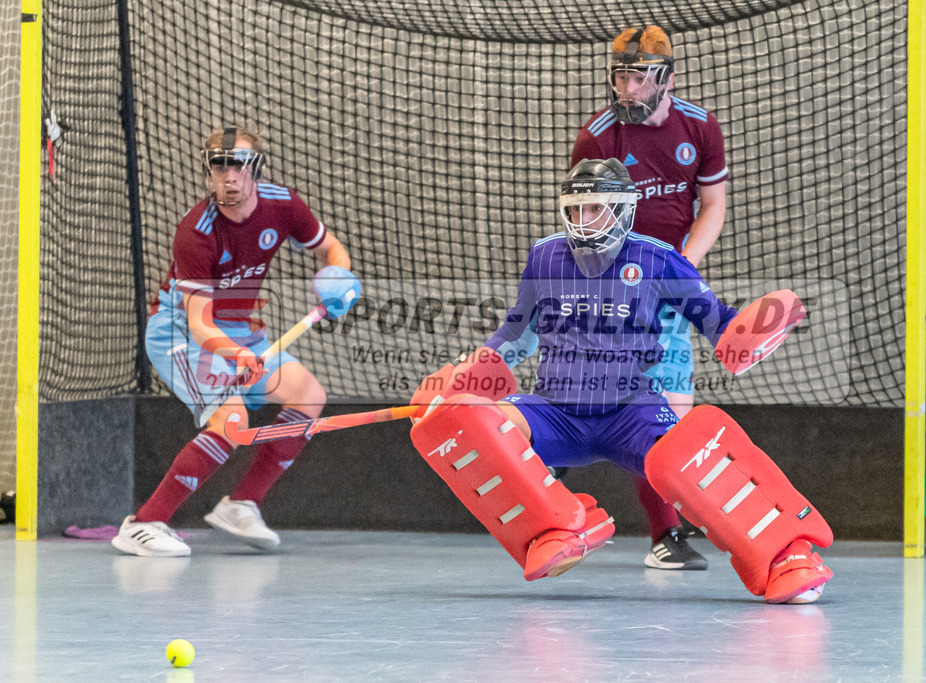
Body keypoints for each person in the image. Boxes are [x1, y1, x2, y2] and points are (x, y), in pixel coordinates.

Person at [407, 159, 832, 604]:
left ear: (623, 209)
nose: (583, 221)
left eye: (595, 209)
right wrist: (468, 372)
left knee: (692, 457)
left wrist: (747, 335)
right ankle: (556, 527)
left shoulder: (659, 259)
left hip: (631, 410)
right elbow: (516, 332)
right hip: (556, 410)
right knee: (469, 423)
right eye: (574, 211)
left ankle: (788, 555)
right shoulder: (545, 256)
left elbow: (719, 323)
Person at [112, 126, 360, 557]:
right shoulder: (197, 231)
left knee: (307, 394)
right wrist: (239, 354)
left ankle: (242, 504)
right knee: (232, 418)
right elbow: (200, 324)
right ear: (209, 172)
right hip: (181, 333)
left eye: (238, 165)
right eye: (219, 166)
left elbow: (331, 248)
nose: (229, 176)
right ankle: (144, 523)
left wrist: (337, 278)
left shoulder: (283, 205)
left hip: (238, 328)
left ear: (255, 170)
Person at [570, 25, 729, 570]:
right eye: (620, 77)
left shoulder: (700, 128)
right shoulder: (599, 137)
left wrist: (680, 266)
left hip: (668, 288)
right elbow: (584, 222)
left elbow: (712, 204)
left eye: (639, 77)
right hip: (609, 284)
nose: (627, 89)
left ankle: (666, 534)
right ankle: (549, 496)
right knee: (597, 404)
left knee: (668, 416)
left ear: (667, 77)